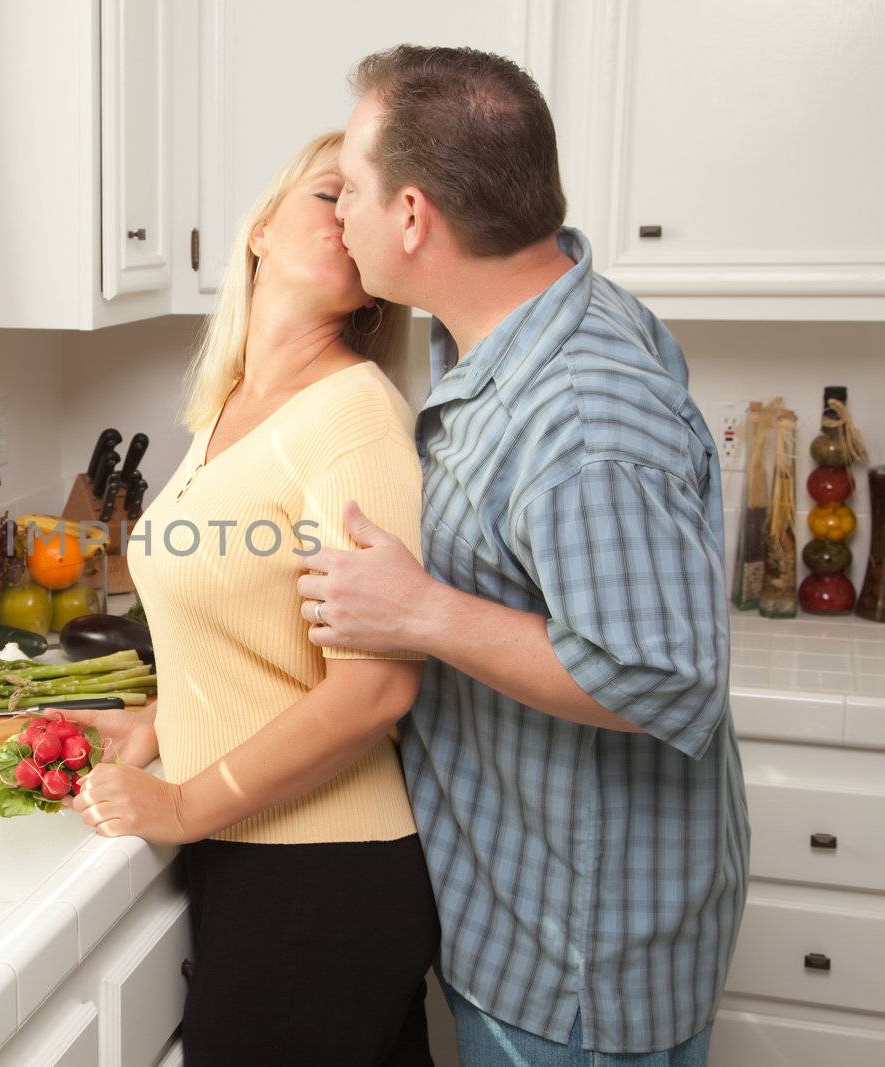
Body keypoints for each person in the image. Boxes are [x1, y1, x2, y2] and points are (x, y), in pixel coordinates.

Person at [297, 45, 750, 1065]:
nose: (339, 218)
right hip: (518, 910)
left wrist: (418, 613)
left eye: (351, 193)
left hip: (578, 960)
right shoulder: (519, 326)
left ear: (413, 217)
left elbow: (662, 676)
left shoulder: (583, 413)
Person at [54, 131, 438, 1065]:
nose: (347, 219)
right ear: (260, 227)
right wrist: (158, 721)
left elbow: (376, 688)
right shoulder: (226, 405)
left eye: (368, 202)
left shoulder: (353, 415)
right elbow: (253, 642)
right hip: (258, 863)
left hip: (321, 880)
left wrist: (182, 803)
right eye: (327, 194)